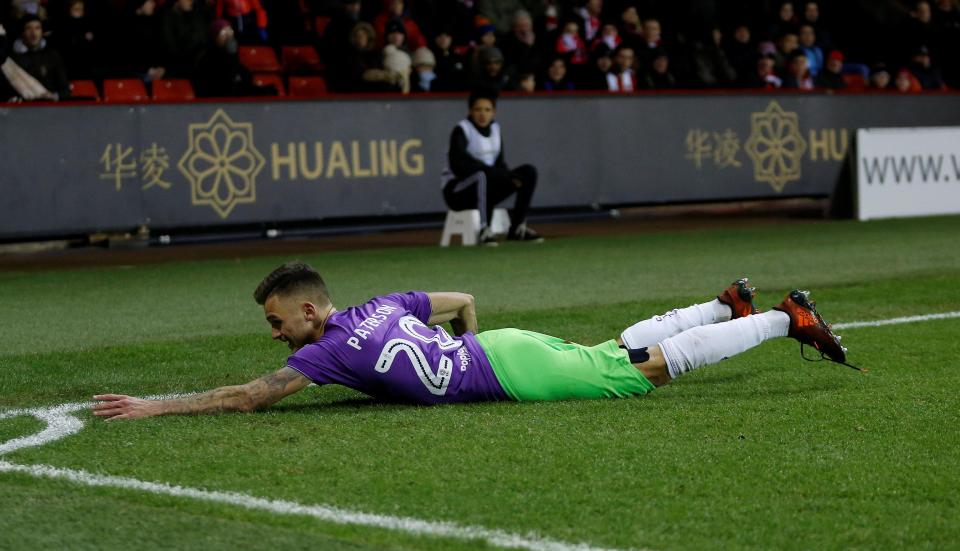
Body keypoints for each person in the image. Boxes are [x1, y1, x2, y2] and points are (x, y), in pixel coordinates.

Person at [91, 266, 855, 420]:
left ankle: (785, 318)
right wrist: (472, 353)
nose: (275, 330)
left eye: (278, 320)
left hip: (507, 370)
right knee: (614, 351)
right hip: (508, 349)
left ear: (312, 312)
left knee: (641, 374)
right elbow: (462, 299)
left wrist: (153, 405)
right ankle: (724, 305)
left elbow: (250, 397)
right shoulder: (383, 302)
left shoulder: (322, 352)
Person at [442, 88, 542, 245]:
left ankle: (517, 228)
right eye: (478, 109)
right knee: (481, 175)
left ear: (494, 112)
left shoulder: (495, 129)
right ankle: (484, 230)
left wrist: (508, 176)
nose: (483, 114)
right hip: (458, 191)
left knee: (528, 172)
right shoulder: (462, 130)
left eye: (487, 110)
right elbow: (459, 166)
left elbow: (500, 162)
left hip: (488, 186)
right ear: (471, 111)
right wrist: (500, 175)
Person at [9, 15, 69, 100]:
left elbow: (65, 90)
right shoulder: (12, 58)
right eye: (28, 28)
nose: (33, 33)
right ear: (22, 32)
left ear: (42, 32)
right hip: (22, 109)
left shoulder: (52, 56)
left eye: (37, 28)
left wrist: (53, 96)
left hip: (49, 108)